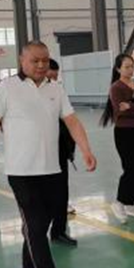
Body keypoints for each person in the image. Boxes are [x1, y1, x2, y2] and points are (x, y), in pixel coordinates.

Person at [0, 41, 97, 268]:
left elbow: (72, 121)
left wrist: (86, 149)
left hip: (52, 169)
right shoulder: (6, 87)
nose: (42, 65)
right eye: (35, 60)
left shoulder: (56, 88)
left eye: (45, 60)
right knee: (34, 227)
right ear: (22, 60)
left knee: (40, 225)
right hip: (21, 172)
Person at [101, 54, 134, 223]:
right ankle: (119, 201)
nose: (131, 70)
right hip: (124, 133)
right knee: (131, 168)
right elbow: (120, 110)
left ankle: (130, 203)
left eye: (132, 66)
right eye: (127, 67)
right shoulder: (116, 88)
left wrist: (130, 105)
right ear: (118, 69)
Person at [46, 58, 77, 246]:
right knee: (42, 194)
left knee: (61, 191)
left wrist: (72, 147)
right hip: (41, 152)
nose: (54, 79)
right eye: (51, 75)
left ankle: (58, 231)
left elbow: (69, 121)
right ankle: (37, 235)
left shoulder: (58, 92)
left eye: (56, 76)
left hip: (60, 150)